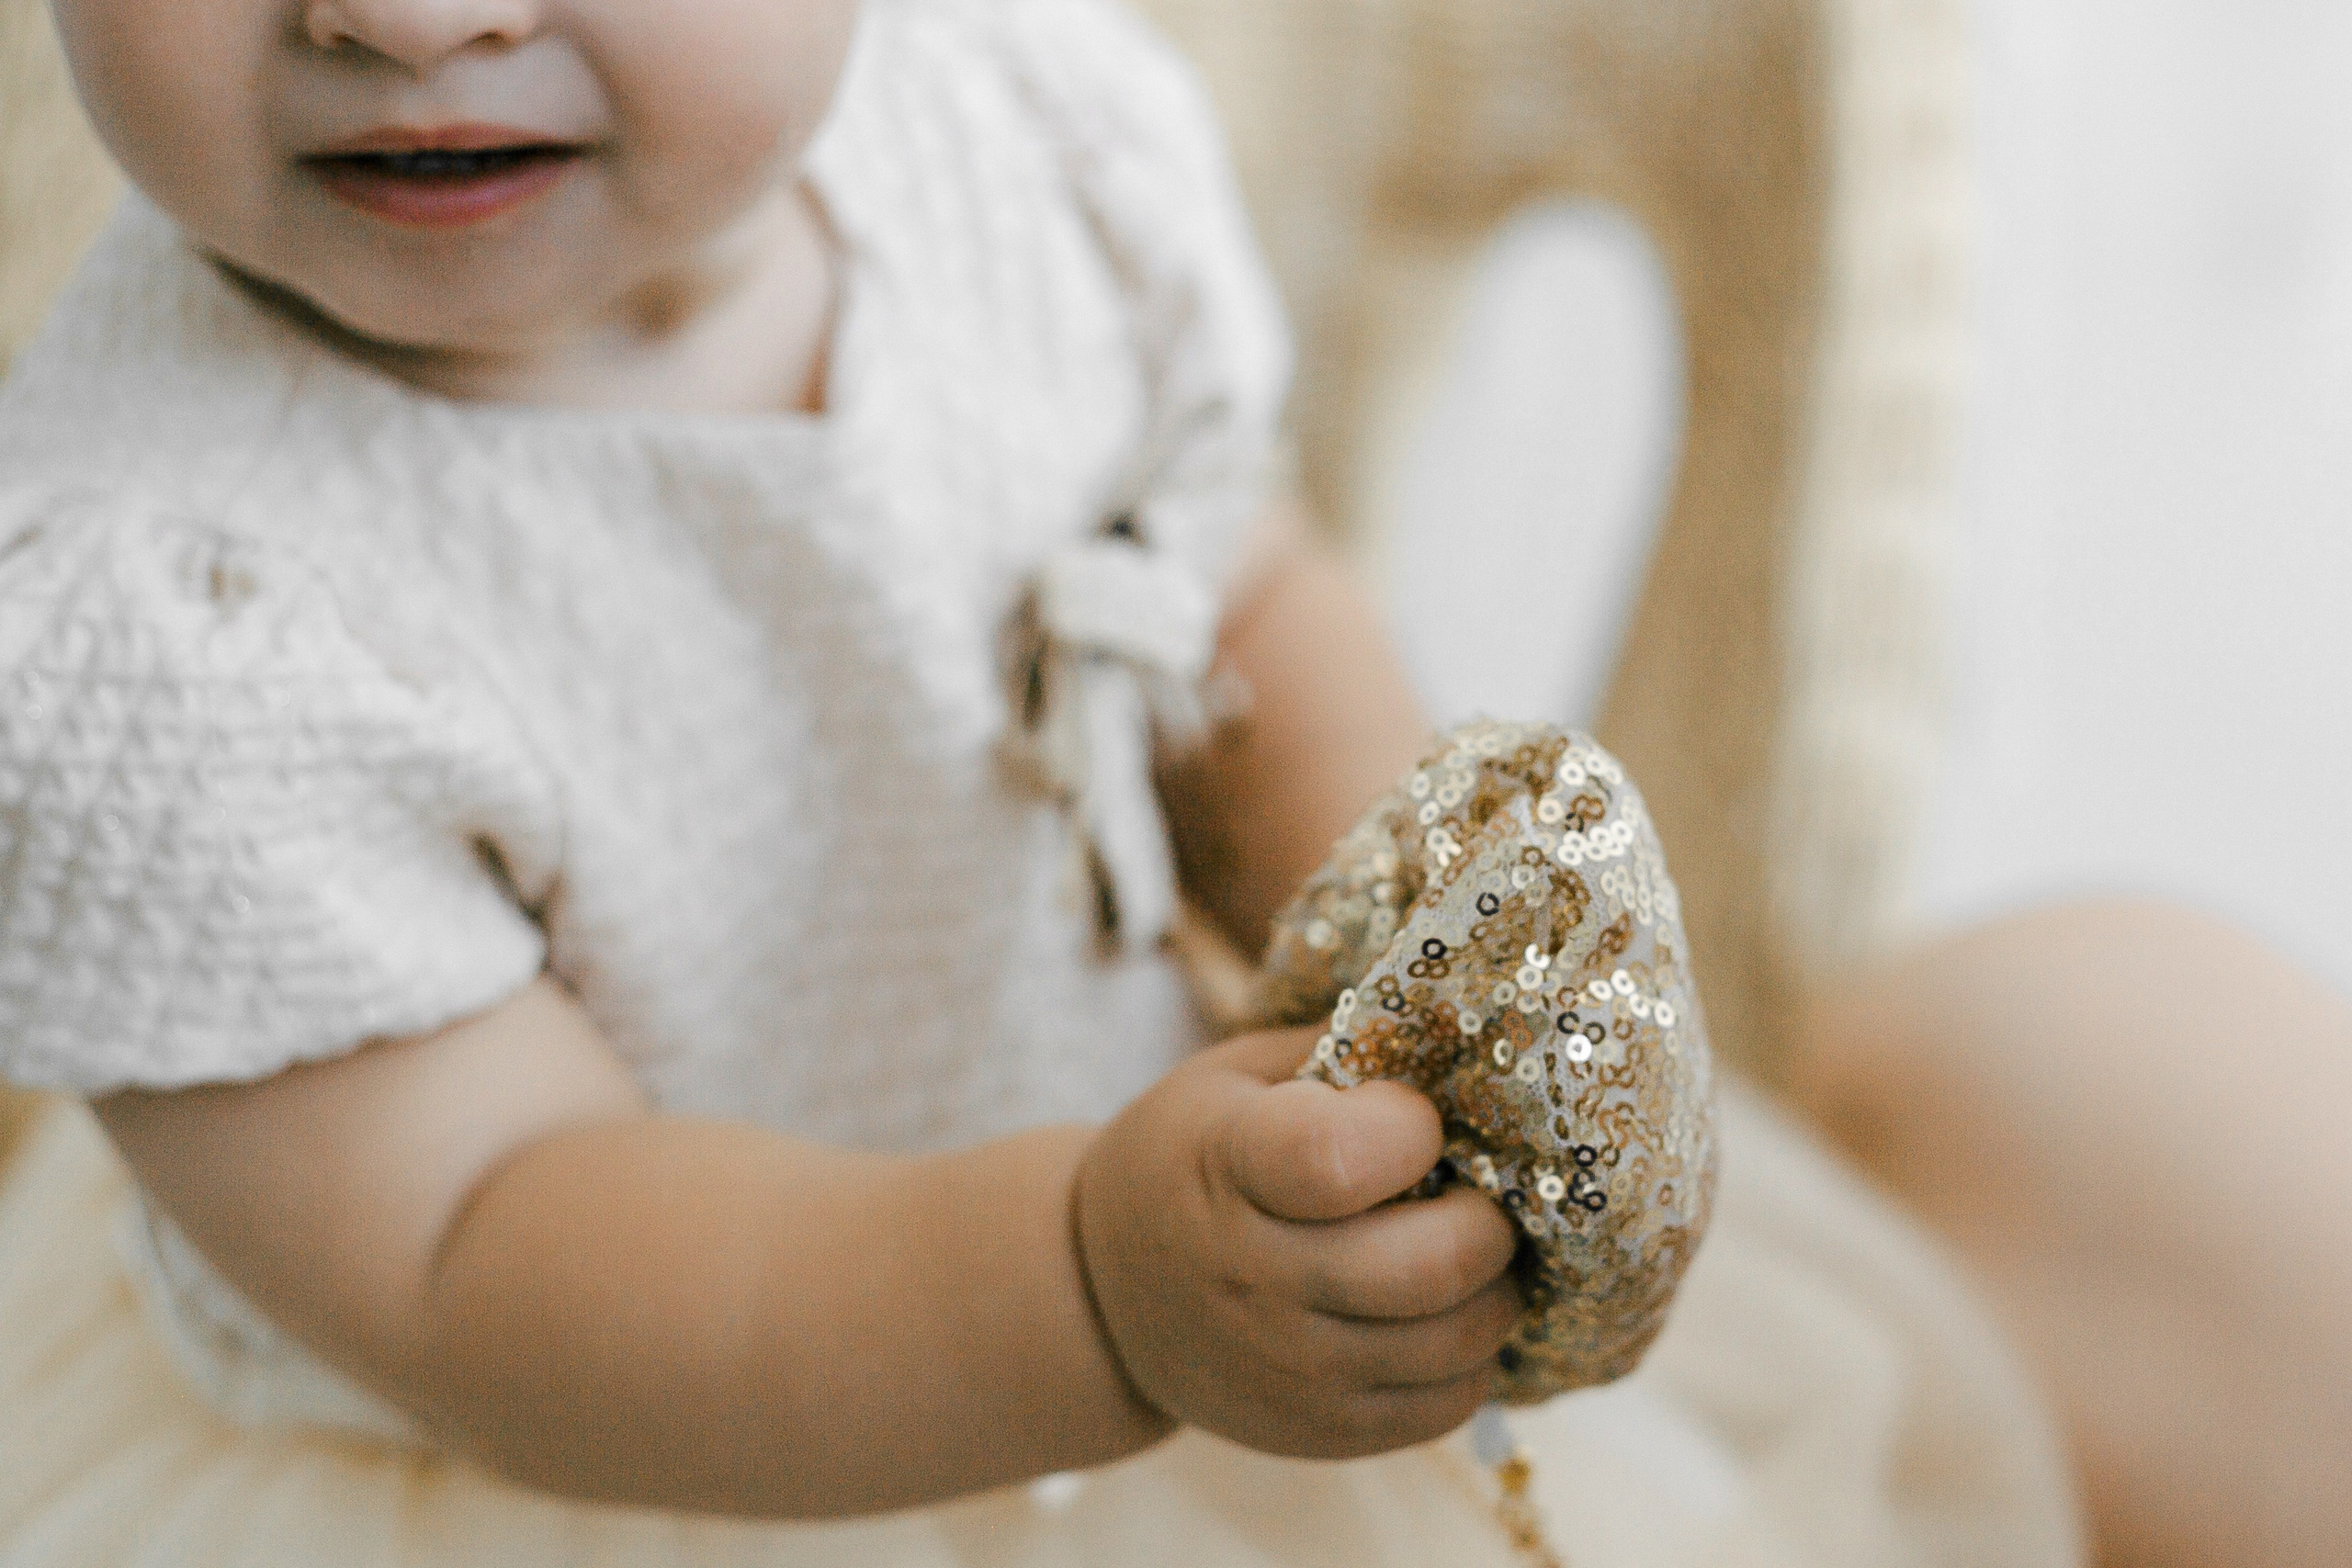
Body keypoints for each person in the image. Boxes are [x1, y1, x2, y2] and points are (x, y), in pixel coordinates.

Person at [0, 0, 2080, 1563]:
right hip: (595, 1450)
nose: (404, 17)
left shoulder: (1014, 138)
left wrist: (1398, 947)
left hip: (1167, 1235)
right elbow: (475, 1249)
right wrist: (1085, 1288)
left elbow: (1227, 588)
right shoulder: (155, 618)